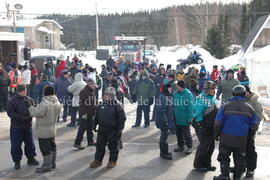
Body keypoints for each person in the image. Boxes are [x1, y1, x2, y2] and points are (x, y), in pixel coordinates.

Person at [213, 85, 258, 180]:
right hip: (241, 138)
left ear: (233, 93)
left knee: (224, 156)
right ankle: (237, 177)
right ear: (244, 94)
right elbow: (254, 125)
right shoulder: (249, 108)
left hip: (226, 137)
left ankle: (225, 175)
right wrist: (249, 136)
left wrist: (216, 134)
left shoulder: (225, 106)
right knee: (239, 158)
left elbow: (218, 123)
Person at [90, 87, 126, 168]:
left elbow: (122, 118)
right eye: (105, 95)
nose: (106, 96)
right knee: (100, 146)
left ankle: (112, 161)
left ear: (112, 96)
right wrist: (94, 125)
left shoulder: (118, 105)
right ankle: (98, 160)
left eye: (108, 95)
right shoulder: (101, 104)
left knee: (113, 147)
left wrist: (120, 129)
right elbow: (96, 116)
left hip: (113, 131)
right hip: (102, 130)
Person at [28, 86, 61, 172]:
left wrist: (30, 107)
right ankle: (52, 163)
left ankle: (47, 165)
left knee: (45, 149)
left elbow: (36, 113)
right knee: (52, 146)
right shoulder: (57, 103)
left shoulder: (44, 103)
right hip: (52, 128)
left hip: (44, 130)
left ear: (45, 93)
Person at [6, 84, 39, 170]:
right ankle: (17, 161)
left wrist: (31, 116)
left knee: (30, 143)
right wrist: (21, 118)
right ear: (18, 91)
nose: (25, 91)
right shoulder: (12, 101)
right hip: (17, 127)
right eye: (22, 90)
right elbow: (10, 112)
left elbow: (34, 109)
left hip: (27, 126)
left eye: (25, 90)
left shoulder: (29, 99)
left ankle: (31, 158)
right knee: (16, 145)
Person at [193, 81, 218, 172]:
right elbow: (197, 113)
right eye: (211, 88)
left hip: (210, 126)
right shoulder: (201, 99)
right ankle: (198, 164)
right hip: (203, 126)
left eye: (214, 88)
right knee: (204, 146)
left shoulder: (212, 98)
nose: (213, 90)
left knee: (211, 146)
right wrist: (200, 125)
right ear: (207, 89)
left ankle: (207, 164)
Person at [243, 86, 263, 177]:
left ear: (248, 92)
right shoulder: (241, 101)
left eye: (245, 92)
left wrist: (252, 129)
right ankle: (241, 166)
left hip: (250, 130)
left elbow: (258, 117)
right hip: (240, 130)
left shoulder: (255, 103)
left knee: (249, 149)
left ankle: (250, 168)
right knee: (239, 150)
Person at [73, 79, 96, 150]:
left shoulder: (92, 90)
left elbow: (93, 102)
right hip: (84, 113)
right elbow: (82, 104)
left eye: (93, 84)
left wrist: (94, 110)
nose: (93, 85)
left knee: (90, 127)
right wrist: (84, 114)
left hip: (90, 112)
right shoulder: (83, 91)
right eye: (91, 84)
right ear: (88, 84)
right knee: (82, 128)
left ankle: (90, 141)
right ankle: (77, 143)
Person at [173, 80, 194, 154]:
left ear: (180, 86)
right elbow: (173, 105)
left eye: (177, 85)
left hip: (185, 118)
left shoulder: (188, 94)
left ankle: (189, 147)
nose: (176, 86)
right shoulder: (175, 94)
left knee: (186, 134)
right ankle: (180, 146)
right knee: (178, 133)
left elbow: (190, 108)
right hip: (177, 117)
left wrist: (189, 118)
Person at [155, 84, 174, 160]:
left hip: (163, 120)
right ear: (166, 89)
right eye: (169, 88)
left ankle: (163, 152)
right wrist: (165, 122)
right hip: (163, 121)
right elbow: (161, 111)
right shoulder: (163, 98)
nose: (171, 90)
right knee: (164, 136)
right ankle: (164, 153)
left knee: (163, 136)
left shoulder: (164, 96)